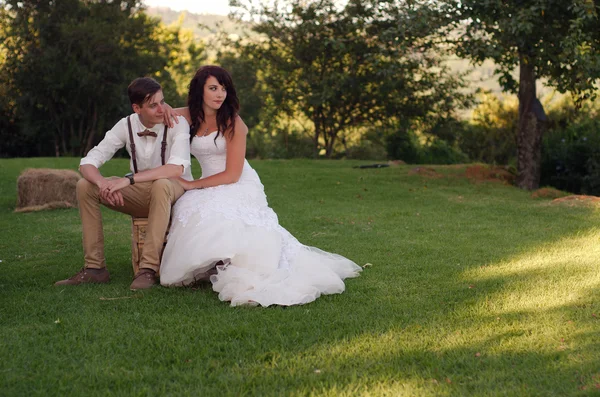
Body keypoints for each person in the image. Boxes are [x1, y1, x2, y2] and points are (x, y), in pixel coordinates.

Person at [159, 65, 362, 306]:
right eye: (213, 88)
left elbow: (232, 175)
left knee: (217, 213)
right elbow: (159, 111)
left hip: (237, 182)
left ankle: (232, 264)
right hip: (209, 182)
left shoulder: (232, 121)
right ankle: (210, 264)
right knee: (189, 209)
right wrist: (166, 108)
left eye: (223, 89)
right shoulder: (188, 115)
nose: (219, 94)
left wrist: (194, 185)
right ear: (199, 91)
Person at [55, 77, 193, 290]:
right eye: (153, 105)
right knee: (85, 185)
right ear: (137, 108)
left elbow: (176, 168)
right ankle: (95, 269)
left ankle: (147, 269)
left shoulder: (177, 122)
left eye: (162, 102)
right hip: (143, 193)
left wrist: (127, 180)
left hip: (175, 190)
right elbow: (88, 162)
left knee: (161, 184)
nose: (161, 109)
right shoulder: (126, 125)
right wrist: (102, 183)